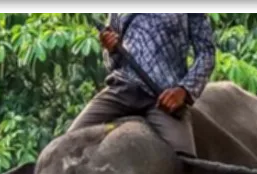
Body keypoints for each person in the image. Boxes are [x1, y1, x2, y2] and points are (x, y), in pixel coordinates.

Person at [68, 13, 216, 158]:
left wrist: (184, 90)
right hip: (122, 89)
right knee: (67, 143)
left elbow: (206, 54)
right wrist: (110, 49)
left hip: (163, 98)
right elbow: (111, 64)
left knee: (186, 164)